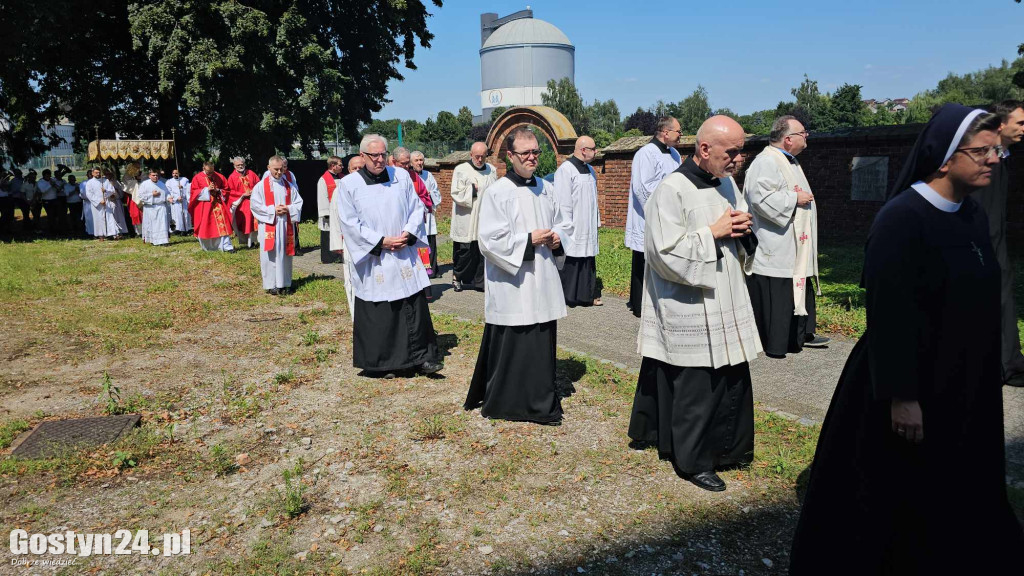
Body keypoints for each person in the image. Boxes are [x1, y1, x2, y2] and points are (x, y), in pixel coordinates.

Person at [789, 104, 1024, 575]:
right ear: (944, 156)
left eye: (995, 149)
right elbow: (892, 313)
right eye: (982, 151)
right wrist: (903, 396)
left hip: (965, 380)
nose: (994, 159)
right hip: (908, 381)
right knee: (895, 492)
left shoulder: (971, 215)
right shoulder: (903, 219)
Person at [628, 116, 760, 492]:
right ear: (704, 149)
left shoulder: (728, 183)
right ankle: (694, 460)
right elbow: (661, 252)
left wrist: (742, 230)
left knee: (731, 376)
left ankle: (729, 449)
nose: (738, 159)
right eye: (731, 152)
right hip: (688, 302)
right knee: (698, 385)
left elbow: (733, 232)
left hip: (726, 294)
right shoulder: (672, 190)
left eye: (740, 151)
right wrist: (712, 233)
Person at [464, 127, 572, 424]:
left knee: (540, 337)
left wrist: (557, 238)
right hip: (513, 281)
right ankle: (509, 402)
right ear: (510, 155)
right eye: (525, 153)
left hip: (543, 276)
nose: (532, 158)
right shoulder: (497, 192)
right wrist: (528, 240)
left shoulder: (547, 188)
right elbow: (488, 240)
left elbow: (564, 222)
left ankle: (541, 398)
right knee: (516, 338)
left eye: (536, 151)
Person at [334, 134, 443, 377]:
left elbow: (416, 208)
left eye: (384, 154)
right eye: (374, 155)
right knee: (382, 311)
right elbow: (349, 224)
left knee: (413, 306)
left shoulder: (401, 176)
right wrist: (381, 242)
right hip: (376, 259)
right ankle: (385, 363)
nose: (380, 159)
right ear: (362, 156)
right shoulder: (349, 185)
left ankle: (422, 358)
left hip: (404, 253)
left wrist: (407, 234)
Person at [744, 115, 829, 358]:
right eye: (803, 133)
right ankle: (777, 342)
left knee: (797, 283)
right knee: (779, 292)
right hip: (776, 245)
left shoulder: (787, 161)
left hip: (792, 243)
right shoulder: (766, 162)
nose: (807, 136)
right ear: (788, 139)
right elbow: (761, 199)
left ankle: (799, 335)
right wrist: (795, 199)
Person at [973, 99, 1024, 386]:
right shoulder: (983, 158)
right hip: (983, 244)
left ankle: (1009, 361)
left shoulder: (1003, 156)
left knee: (1004, 299)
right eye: (1020, 123)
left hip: (997, 241)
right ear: (1001, 124)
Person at [624, 117, 682, 316]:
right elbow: (642, 188)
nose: (681, 135)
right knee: (643, 259)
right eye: (678, 132)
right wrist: (658, 211)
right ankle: (640, 304)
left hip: (669, 215)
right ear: (665, 132)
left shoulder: (675, 153)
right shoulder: (645, 153)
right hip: (648, 215)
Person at [553, 135, 603, 307]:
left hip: (588, 223)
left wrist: (596, 220)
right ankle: (569, 296)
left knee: (587, 259)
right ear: (583, 150)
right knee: (573, 259)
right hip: (574, 225)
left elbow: (593, 199)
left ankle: (586, 295)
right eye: (593, 148)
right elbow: (563, 201)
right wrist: (565, 227)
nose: (596, 151)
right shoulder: (566, 170)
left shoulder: (590, 170)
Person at [251, 156, 303, 295]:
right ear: (269, 168)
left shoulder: (288, 185)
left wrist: (288, 209)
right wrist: (272, 210)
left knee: (285, 254)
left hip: (285, 225)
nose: (279, 173)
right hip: (270, 225)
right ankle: (271, 284)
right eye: (276, 170)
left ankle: (285, 283)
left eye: (281, 169)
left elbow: (298, 203)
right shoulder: (261, 186)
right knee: (270, 254)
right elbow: (255, 206)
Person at [450, 142, 497, 292]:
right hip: (467, 218)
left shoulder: (491, 170)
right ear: (471, 155)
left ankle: (480, 282)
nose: (480, 160)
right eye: (477, 157)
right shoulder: (461, 170)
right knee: (465, 251)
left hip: (484, 217)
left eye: (483, 157)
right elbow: (455, 193)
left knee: (481, 252)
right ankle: (457, 277)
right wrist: (472, 190)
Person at [393, 147, 435, 277]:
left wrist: (417, 203)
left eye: (407, 163)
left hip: (413, 225)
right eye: (403, 164)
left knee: (415, 260)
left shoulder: (414, 176)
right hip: (396, 224)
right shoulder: (388, 176)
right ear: (394, 162)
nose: (406, 167)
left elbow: (425, 197)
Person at [188, 162, 234, 252]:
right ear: (203, 168)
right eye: (209, 172)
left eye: (212, 171)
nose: (211, 174)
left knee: (223, 225)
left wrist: (218, 190)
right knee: (206, 227)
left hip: (218, 205)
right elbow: (194, 193)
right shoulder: (197, 178)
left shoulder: (219, 176)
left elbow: (227, 190)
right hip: (205, 206)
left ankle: (227, 247)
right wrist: (206, 190)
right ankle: (209, 247)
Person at [410, 151, 442, 278]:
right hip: (416, 215)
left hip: (428, 215)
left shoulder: (428, 175)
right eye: (416, 160)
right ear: (411, 163)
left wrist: (429, 194)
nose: (419, 163)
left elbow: (436, 193)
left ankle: (432, 269)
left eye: (421, 160)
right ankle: (419, 270)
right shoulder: (409, 176)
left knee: (430, 242)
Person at [226, 157, 259, 248]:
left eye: (242, 164)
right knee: (246, 223)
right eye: (238, 165)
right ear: (234, 166)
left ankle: (253, 241)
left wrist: (253, 191)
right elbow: (230, 192)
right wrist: (243, 194)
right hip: (242, 204)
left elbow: (258, 184)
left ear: (245, 164)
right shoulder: (232, 177)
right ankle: (247, 242)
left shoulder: (251, 173)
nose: (240, 166)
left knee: (255, 223)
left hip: (254, 201)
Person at [317, 155, 345, 264]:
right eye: (340, 165)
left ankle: (339, 255)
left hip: (341, 211)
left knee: (338, 233)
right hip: (329, 212)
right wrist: (326, 213)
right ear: (333, 166)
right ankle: (328, 258)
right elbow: (322, 196)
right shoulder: (323, 180)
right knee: (327, 234)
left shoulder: (343, 177)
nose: (342, 167)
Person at [138, 168, 171, 246]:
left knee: (162, 224)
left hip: (161, 206)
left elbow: (167, 193)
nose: (155, 177)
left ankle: (163, 241)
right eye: (153, 175)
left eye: (157, 175)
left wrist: (169, 198)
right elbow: (141, 196)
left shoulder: (162, 184)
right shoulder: (144, 184)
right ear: (150, 176)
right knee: (153, 225)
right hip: (150, 208)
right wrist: (152, 194)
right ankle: (154, 241)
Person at [85, 167, 121, 239]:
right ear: (92, 173)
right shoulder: (89, 183)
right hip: (97, 205)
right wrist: (99, 201)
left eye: (99, 172)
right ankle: (100, 235)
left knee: (109, 217)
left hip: (106, 202)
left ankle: (112, 233)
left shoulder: (105, 181)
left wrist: (106, 191)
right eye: (96, 173)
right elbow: (89, 194)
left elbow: (112, 190)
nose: (98, 174)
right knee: (99, 219)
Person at [166, 168, 191, 234]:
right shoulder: (169, 182)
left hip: (183, 200)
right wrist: (176, 198)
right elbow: (168, 192)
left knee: (185, 215)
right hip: (175, 202)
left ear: (179, 173)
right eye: (173, 173)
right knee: (176, 216)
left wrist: (182, 188)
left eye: (176, 173)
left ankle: (186, 229)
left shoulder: (184, 180)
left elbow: (189, 189)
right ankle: (176, 230)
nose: (175, 175)